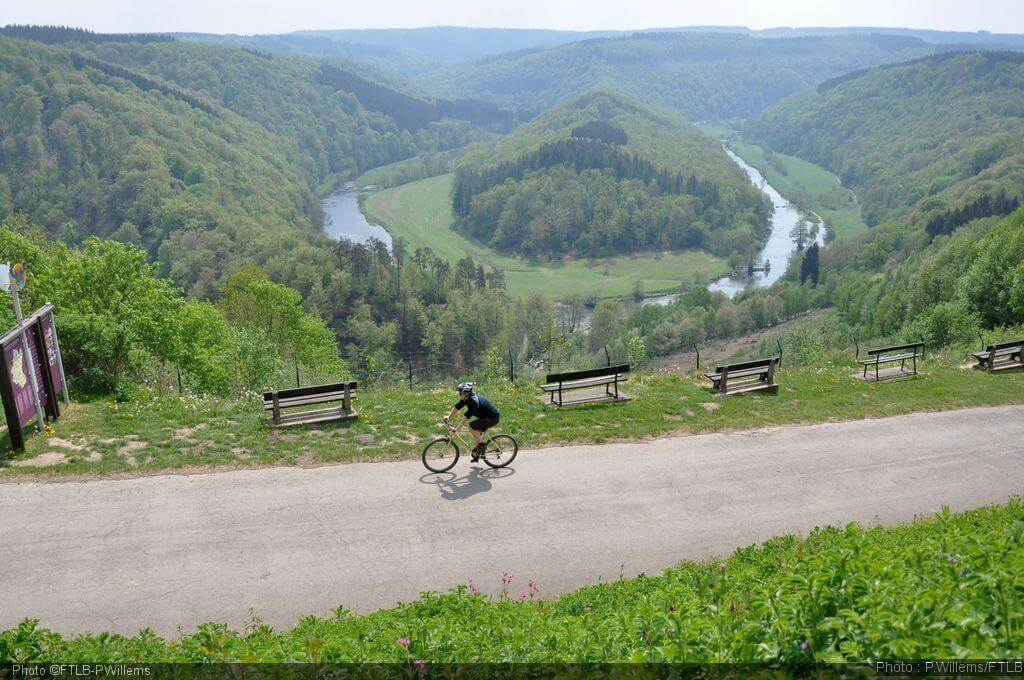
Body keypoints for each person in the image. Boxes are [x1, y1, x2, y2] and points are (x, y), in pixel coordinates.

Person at [444, 382, 500, 462]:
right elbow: (457, 407)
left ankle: (482, 446)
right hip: (485, 417)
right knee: (476, 437)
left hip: (492, 418)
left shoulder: (474, 402)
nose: (459, 394)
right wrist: (448, 416)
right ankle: (479, 454)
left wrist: (457, 429)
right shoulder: (466, 399)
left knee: (471, 426)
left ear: (467, 393)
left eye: (460, 393)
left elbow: (466, 417)